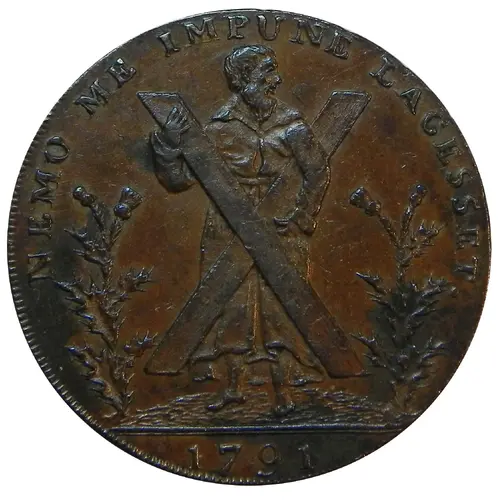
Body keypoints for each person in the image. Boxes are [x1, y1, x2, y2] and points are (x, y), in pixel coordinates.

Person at [150, 45, 330, 415]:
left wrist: (301, 215)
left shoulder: (292, 125)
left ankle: (285, 390)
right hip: (228, 225)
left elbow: (317, 171)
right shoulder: (218, 128)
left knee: (284, 304)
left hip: (280, 224)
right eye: (266, 72)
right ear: (244, 79)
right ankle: (233, 387)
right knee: (228, 303)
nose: (276, 79)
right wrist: (168, 146)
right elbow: (179, 181)